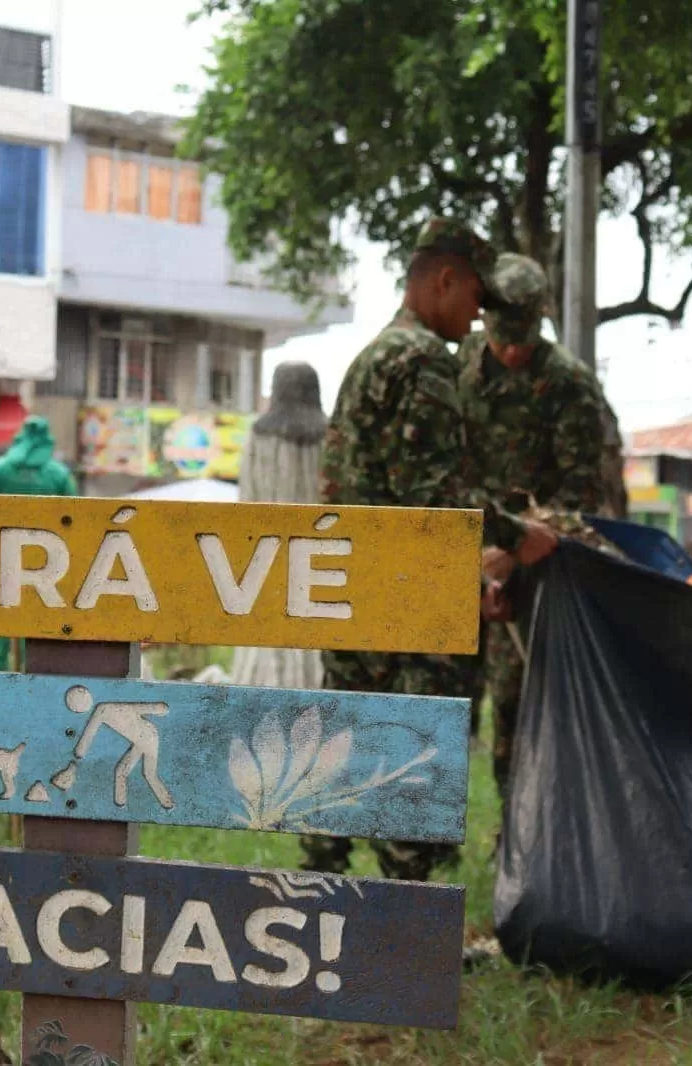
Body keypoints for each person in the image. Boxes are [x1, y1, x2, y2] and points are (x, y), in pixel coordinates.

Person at [301, 219, 560, 882]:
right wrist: (515, 535)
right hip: (406, 609)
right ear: (445, 279)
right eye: (476, 297)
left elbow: (373, 486)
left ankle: (317, 899)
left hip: (353, 590)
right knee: (411, 766)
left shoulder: (372, 357)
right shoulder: (421, 361)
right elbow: (434, 492)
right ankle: (405, 934)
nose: (478, 316)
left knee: (340, 745)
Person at [454, 251, 612, 811]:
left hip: (534, 572)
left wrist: (510, 556)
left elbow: (581, 495)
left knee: (520, 718)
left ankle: (520, 835)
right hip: (452, 565)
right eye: (502, 335)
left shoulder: (570, 386)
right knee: (437, 708)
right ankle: (422, 846)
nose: (513, 349)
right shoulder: (458, 368)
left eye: (524, 336)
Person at [229, 361, 329, 689]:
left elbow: (246, 500)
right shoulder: (330, 436)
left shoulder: (258, 434)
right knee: (316, 629)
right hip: (321, 553)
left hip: (266, 550)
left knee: (265, 629)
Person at [0, 416, 79, 671]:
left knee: (1, 617)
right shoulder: (58, 475)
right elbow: (80, 516)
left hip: (2, 556)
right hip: (46, 561)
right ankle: (31, 676)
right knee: (35, 619)